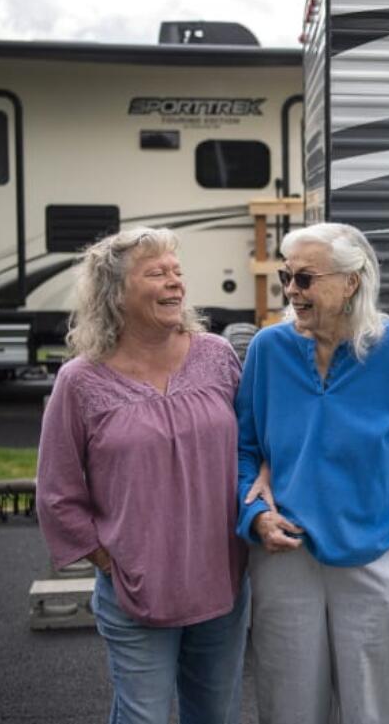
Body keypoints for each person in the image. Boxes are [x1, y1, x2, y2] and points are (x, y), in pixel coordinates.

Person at [37, 227, 258, 724]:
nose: (174, 282)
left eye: (177, 272)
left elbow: (251, 447)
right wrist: (111, 561)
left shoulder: (216, 357)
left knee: (216, 715)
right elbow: (57, 491)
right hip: (136, 591)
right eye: (156, 273)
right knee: (143, 717)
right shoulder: (81, 381)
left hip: (221, 583)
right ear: (115, 292)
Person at [236, 222, 389, 724]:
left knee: (374, 713)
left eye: (306, 279)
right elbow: (243, 450)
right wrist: (253, 518)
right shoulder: (268, 350)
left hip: (376, 560)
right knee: (288, 711)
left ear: (350, 281)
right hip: (284, 557)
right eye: (287, 277)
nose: (292, 290)